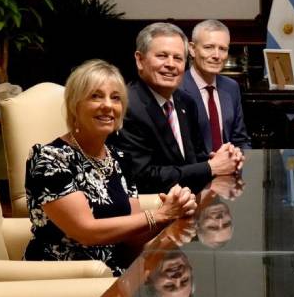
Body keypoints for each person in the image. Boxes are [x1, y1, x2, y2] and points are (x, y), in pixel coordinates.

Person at [24, 60, 197, 275]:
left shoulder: (119, 158)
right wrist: (159, 215)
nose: (108, 105)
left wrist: (172, 213)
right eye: (95, 96)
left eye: (115, 98)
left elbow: (132, 238)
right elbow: (86, 232)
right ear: (74, 105)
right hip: (68, 278)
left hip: (115, 272)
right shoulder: (49, 158)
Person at [115, 22, 244, 194]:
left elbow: (195, 160)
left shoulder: (185, 102)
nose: (171, 64)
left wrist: (224, 158)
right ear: (140, 60)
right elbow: (141, 176)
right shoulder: (127, 106)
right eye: (162, 56)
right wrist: (210, 167)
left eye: (177, 58)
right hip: (152, 209)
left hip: (191, 203)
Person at [176, 20, 251, 151]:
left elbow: (240, 140)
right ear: (192, 49)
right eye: (208, 47)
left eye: (222, 49)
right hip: (195, 169)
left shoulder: (231, 87)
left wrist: (240, 157)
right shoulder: (176, 87)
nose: (216, 55)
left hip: (230, 168)